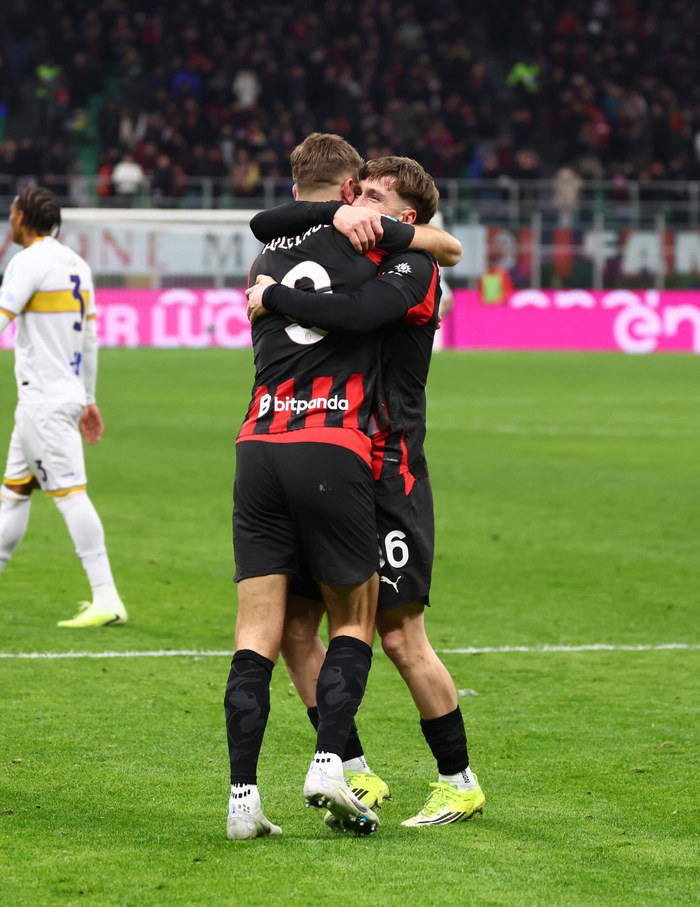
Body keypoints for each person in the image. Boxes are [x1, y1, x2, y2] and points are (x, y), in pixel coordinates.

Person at [226, 133, 461, 841]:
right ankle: (347, 767)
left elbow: (388, 290)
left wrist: (272, 295)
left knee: (399, 635)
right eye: (361, 193)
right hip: (336, 452)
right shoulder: (348, 245)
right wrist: (336, 218)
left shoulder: (410, 262)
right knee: (302, 628)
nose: (363, 207)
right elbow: (271, 221)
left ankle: (458, 779)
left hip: (385, 466)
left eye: (378, 199)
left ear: (405, 216)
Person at [0, 187, 127, 628]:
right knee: (14, 493)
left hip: (43, 401)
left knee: (71, 495)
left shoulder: (27, 262)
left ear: (22, 217)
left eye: (11, 211)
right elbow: (89, 340)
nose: (9, 218)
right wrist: (88, 398)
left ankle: (106, 597)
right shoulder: (77, 264)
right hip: (61, 395)